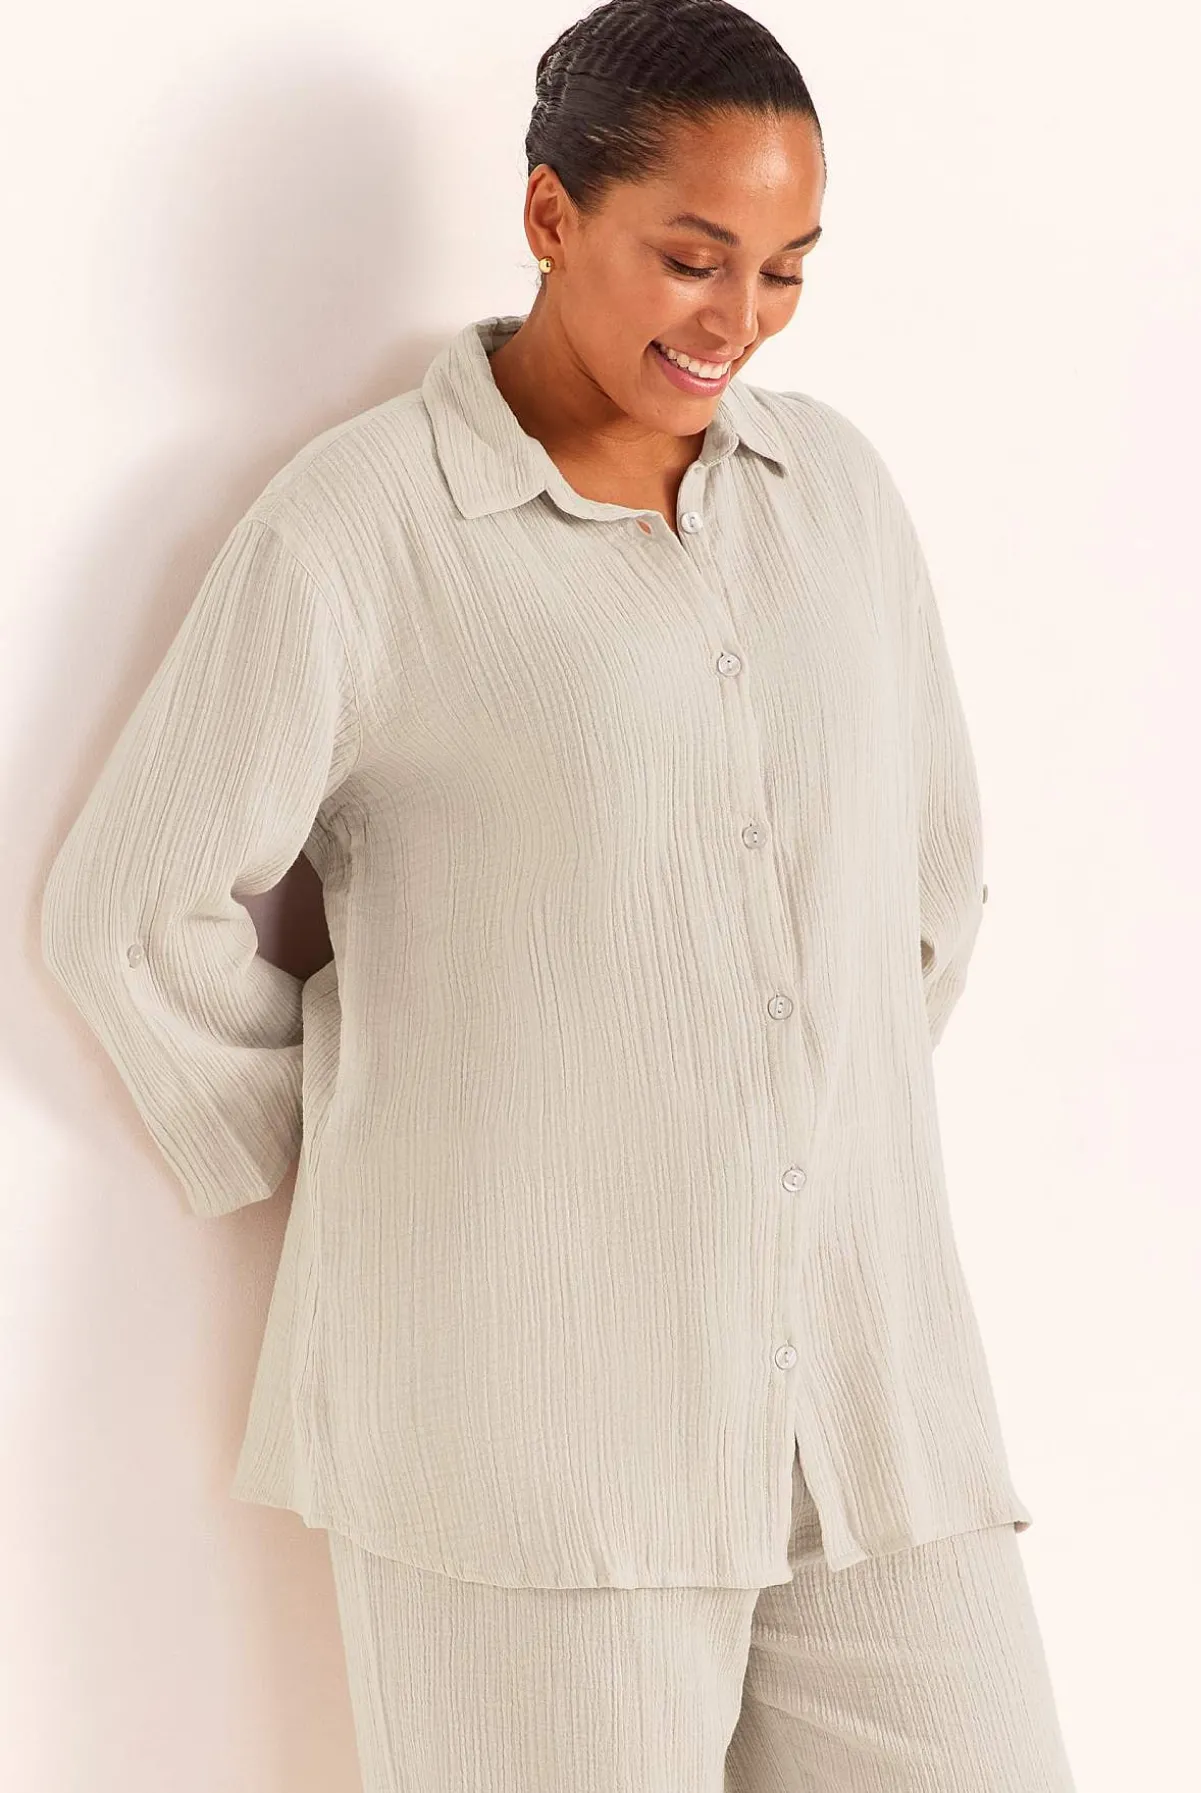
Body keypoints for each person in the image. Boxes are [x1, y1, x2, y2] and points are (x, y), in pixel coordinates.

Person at [39, 1, 1079, 1786]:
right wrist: (404, 1144)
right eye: (692, 257)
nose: (737, 319)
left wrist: (776, 1116)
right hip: (525, 1446)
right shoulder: (365, 528)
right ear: (549, 215)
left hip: (865, 1402)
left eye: (785, 271)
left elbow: (926, 886)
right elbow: (131, 916)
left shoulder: (835, 498)